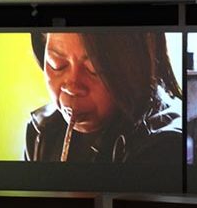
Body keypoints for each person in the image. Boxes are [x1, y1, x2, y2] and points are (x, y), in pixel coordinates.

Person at [23, 32, 182, 163]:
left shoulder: (163, 148)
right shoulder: (41, 132)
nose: (72, 87)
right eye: (57, 64)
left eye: (94, 68)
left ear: (135, 66)